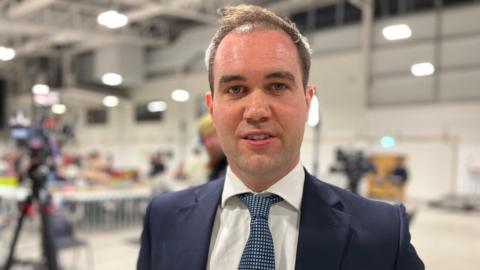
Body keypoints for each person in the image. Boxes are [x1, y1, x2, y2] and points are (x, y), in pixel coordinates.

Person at [137, 5, 424, 270]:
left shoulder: (384, 234)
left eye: (277, 85)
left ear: (307, 100)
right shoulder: (163, 218)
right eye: (236, 89)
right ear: (212, 109)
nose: (257, 111)